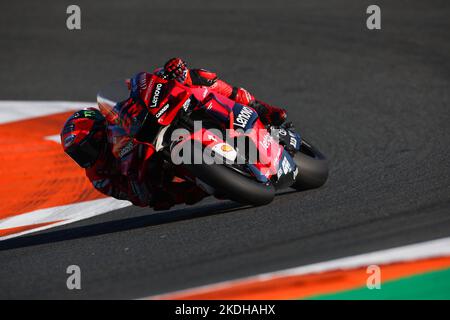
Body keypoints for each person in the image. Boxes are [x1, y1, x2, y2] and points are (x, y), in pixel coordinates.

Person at [60, 108, 207, 210]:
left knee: (195, 83)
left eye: (86, 148)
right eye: (78, 154)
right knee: (169, 198)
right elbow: (133, 197)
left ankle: (229, 98)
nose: (85, 157)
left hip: (153, 133)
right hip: (146, 171)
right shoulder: (98, 176)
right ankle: (212, 184)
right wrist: (140, 188)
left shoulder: (116, 118)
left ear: (98, 133)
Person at [154, 58, 287, 126]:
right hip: (182, 119)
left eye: (180, 73)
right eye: (174, 76)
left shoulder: (198, 76)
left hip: (211, 107)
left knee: (234, 94)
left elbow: (224, 89)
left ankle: (266, 111)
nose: (179, 77)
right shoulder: (160, 86)